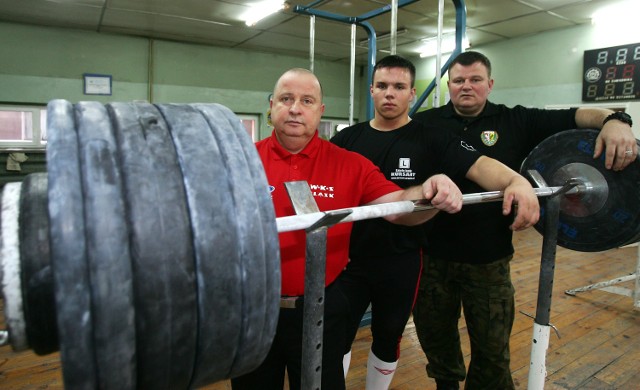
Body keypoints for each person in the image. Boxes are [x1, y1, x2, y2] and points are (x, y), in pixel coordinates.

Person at [231, 68, 470, 390]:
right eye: (286, 99)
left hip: (321, 311)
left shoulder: (350, 164)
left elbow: (399, 207)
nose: (295, 108)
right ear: (272, 106)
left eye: (306, 100)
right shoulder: (237, 161)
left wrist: (429, 189)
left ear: (320, 111)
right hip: (253, 312)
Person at [411, 50, 638, 390]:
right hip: (431, 256)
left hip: (489, 259)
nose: (466, 87)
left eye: (475, 80)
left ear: (490, 84)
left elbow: (578, 115)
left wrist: (616, 120)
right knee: (435, 338)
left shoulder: (516, 120)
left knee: (492, 351)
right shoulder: (426, 124)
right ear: (448, 85)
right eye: (458, 81)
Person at [331, 55, 540, 390]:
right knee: (337, 338)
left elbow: (481, 166)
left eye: (399, 87)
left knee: (387, 338)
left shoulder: (433, 137)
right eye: (382, 86)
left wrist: (516, 182)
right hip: (348, 261)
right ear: (371, 90)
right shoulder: (346, 140)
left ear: (412, 93)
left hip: (402, 260)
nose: (389, 94)